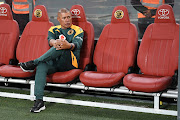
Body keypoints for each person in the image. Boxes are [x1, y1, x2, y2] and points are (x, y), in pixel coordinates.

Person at [19, 8, 84, 113]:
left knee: (62, 47)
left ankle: (33, 63)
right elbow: (50, 40)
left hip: (70, 62)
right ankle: (39, 101)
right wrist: (55, 42)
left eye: (69, 17)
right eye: (64, 18)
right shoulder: (53, 29)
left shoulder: (78, 30)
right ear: (59, 19)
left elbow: (77, 44)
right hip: (55, 62)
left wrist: (68, 45)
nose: (67, 20)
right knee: (42, 66)